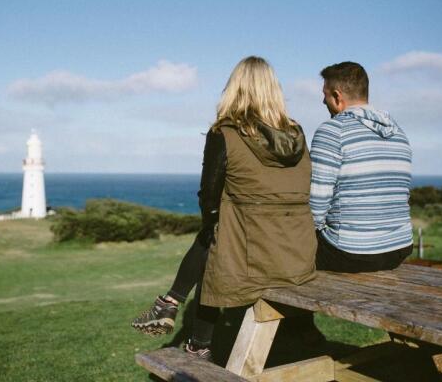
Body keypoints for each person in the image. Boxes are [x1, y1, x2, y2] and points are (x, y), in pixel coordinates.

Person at [132, 56, 317, 359]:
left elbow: (209, 199)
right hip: (297, 257)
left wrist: (217, 226)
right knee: (220, 240)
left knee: (216, 241)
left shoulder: (225, 133)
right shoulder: (297, 135)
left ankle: (188, 331)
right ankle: (180, 320)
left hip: (251, 259)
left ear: (235, 88)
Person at [311, 61, 413, 272]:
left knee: (280, 248)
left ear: (338, 97)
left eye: (326, 95)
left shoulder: (332, 131)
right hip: (399, 249)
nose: (323, 101)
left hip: (349, 252)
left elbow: (315, 208)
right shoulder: (399, 133)